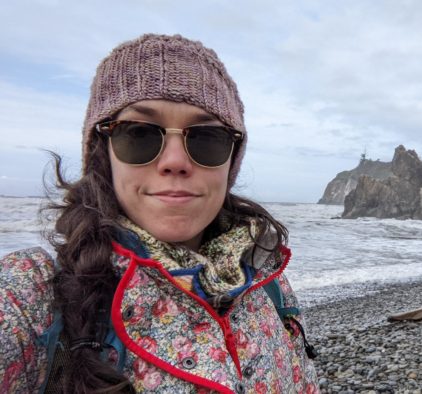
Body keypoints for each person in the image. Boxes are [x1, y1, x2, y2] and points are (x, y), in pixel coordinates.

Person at [0, 34, 318, 393]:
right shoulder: (31, 299)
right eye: (138, 133)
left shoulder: (267, 277)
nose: (175, 161)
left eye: (206, 138)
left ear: (231, 158)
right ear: (103, 152)